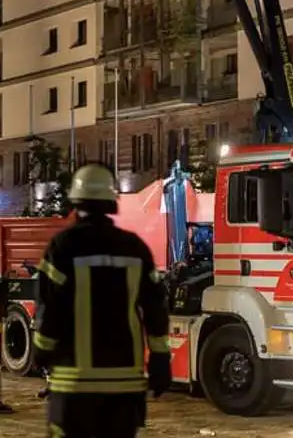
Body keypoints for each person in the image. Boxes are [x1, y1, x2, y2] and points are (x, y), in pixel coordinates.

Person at [32, 164, 172, 438]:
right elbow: (156, 310)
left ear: (76, 201)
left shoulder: (63, 247)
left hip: (75, 386)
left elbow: (49, 310)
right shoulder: (135, 248)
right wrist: (160, 359)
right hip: (124, 387)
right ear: (111, 201)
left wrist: (41, 352)